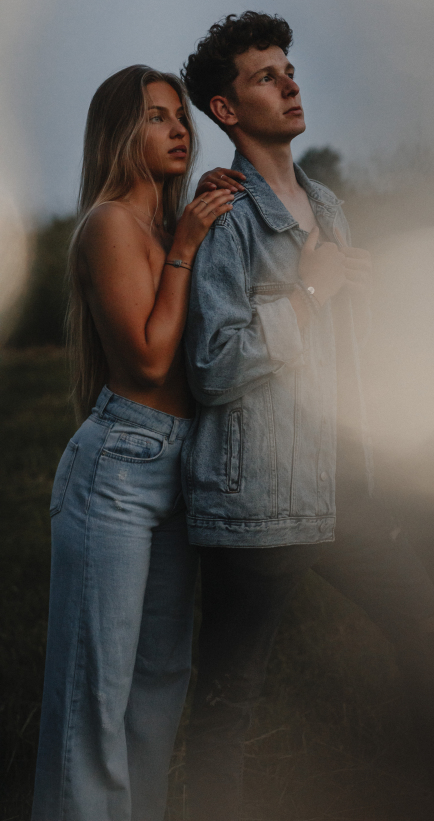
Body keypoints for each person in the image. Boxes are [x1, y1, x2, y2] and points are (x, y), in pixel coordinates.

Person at [180, 13, 434, 821]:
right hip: (259, 503)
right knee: (227, 702)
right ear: (225, 108)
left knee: (433, 625)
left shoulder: (328, 203)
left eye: (289, 69)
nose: (289, 83)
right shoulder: (226, 217)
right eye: (264, 75)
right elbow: (213, 367)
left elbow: (341, 359)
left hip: (343, 493)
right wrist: (314, 293)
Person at [31, 64, 244, 821]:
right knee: (97, 695)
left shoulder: (167, 224)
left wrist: (211, 222)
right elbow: (152, 359)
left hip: (184, 465)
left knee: (158, 690)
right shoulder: (109, 224)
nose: (179, 128)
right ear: (121, 134)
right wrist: (187, 242)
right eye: (157, 117)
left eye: (180, 115)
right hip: (118, 469)